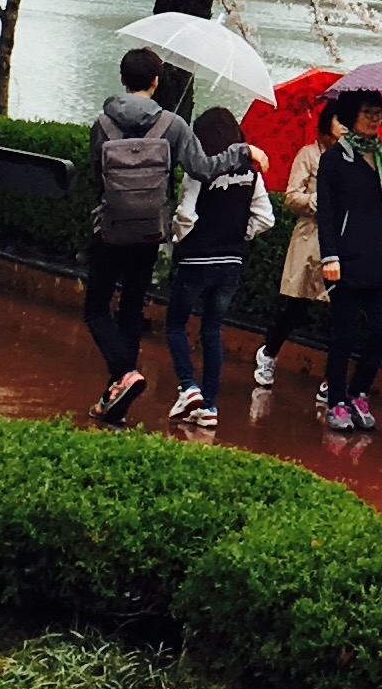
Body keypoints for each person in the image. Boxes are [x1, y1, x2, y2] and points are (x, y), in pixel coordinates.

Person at [80, 46, 203, 425]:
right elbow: (201, 167)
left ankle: (124, 373)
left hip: (111, 229)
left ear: (122, 79)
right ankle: (116, 398)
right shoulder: (173, 125)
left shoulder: (103, 124)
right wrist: (242, 153)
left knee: (96, 309)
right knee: (131, 309)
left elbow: (97, 175)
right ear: (155, 81)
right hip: (150, 231)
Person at [164, 109, 273, 433]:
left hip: (196, 261)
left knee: (175, 324)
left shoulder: (199, 171)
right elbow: (266, 218)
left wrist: (176, 240)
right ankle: (209, 406)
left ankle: (188, 386)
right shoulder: (251, 173)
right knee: (212, 331)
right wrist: (238, 235)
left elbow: (186, 215)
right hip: (230, 264)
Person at [311, 87, 382, 436]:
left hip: (381, 258)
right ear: (352, 115)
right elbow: (326, 213)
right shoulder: (335, 159)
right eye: (368, 112)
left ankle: (358, 392)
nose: (375, 118)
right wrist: (330, 255)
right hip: (345, 259)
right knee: (345, 334)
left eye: (379, 112)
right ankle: (336, 400)